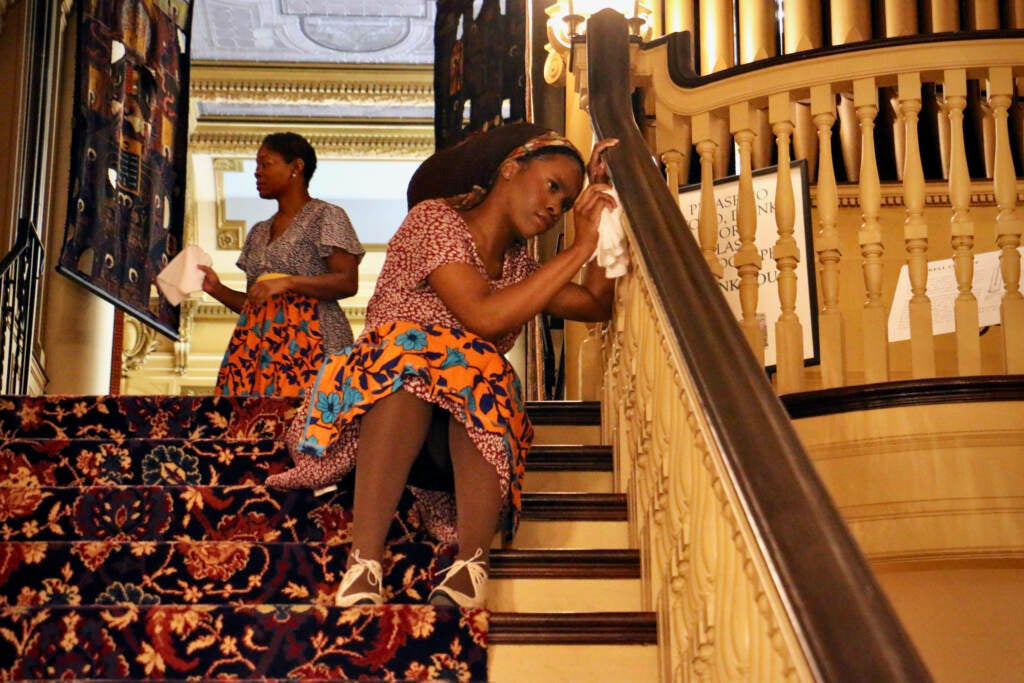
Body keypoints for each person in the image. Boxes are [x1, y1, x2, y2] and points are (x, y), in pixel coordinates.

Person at [266, 123, 619, 609]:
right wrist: (579, 249)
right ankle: (364, 561)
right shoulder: (435, 221)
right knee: (419, 361)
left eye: (566, 201)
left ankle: (471, 565)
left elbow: (597, 303)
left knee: (476, 369)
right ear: (510, 169)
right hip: (373, 412)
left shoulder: (520, 267)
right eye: (553, 186)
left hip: (453, 435)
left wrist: (607, 215)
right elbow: (481, 316)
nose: (555, 207)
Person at [199, 132, 365, 397]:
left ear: (296, 167)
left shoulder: (326, 216)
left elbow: (347, 281)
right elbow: (255, 302)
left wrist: (289, 282)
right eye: (257, 166)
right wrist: (217, 289)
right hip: (259, 347)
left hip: (313, 340)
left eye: (266, 164)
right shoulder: (258, 232)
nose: (257, 173)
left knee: (308, 421)